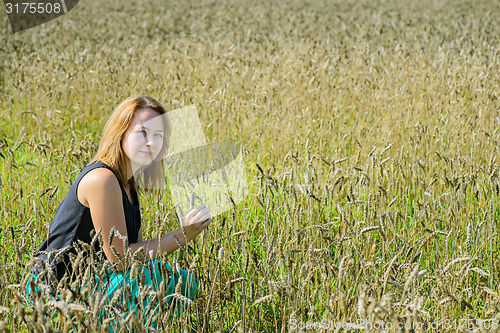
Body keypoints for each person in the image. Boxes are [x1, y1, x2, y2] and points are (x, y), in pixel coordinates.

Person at [27, 96, 212, 327]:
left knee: (179, 281)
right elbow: (119, 260)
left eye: (158, 136)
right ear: (121, 132)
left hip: (90, 283)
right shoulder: (102, 179)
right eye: (142, 133)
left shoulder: (128, 184)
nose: (151, 143)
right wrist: (181, 236)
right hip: (53, 289)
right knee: (141, 280)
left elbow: (138, 257)